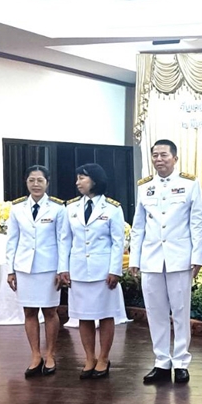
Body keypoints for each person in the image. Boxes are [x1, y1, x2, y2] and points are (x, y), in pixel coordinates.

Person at [129, 139, 202, 385]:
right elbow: (139, 226)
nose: (159, 159)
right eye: (155, 155)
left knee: (181, 311)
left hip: (179, 258)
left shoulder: (189, 184)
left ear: (175, 158)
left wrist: (196, 257)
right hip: (151, 259)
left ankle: (181, 362)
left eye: (164, 155)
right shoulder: (145, 187)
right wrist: (135, 258)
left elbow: (197, 222)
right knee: (155, 312)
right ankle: (161, 361)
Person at [5, 164, 70, 377]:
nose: (35, 184)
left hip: (49, 268)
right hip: (24, 267)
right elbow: (12, 241)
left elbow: (63, 241)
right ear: (26, 182)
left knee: (50, 311)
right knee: (29, 312)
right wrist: (11, 270)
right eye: (31, 180)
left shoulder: (58, 209)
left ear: (47, 183)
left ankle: (50, 354)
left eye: (40, 180)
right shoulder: (17, 209)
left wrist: (62, 269)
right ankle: (35, 355)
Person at [62, 163, 125, 380]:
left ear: (95, 180)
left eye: (82, 178)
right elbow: (65, 241)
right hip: (79, 270)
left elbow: (118, 242)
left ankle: (104, 358)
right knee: (84, 316)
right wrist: (64, 269)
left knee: (105, 315)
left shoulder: (113, 208)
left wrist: (115, 270)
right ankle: (89, 358)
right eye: (77, 178)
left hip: (103, 271)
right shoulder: (70, 208)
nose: (77, 182)